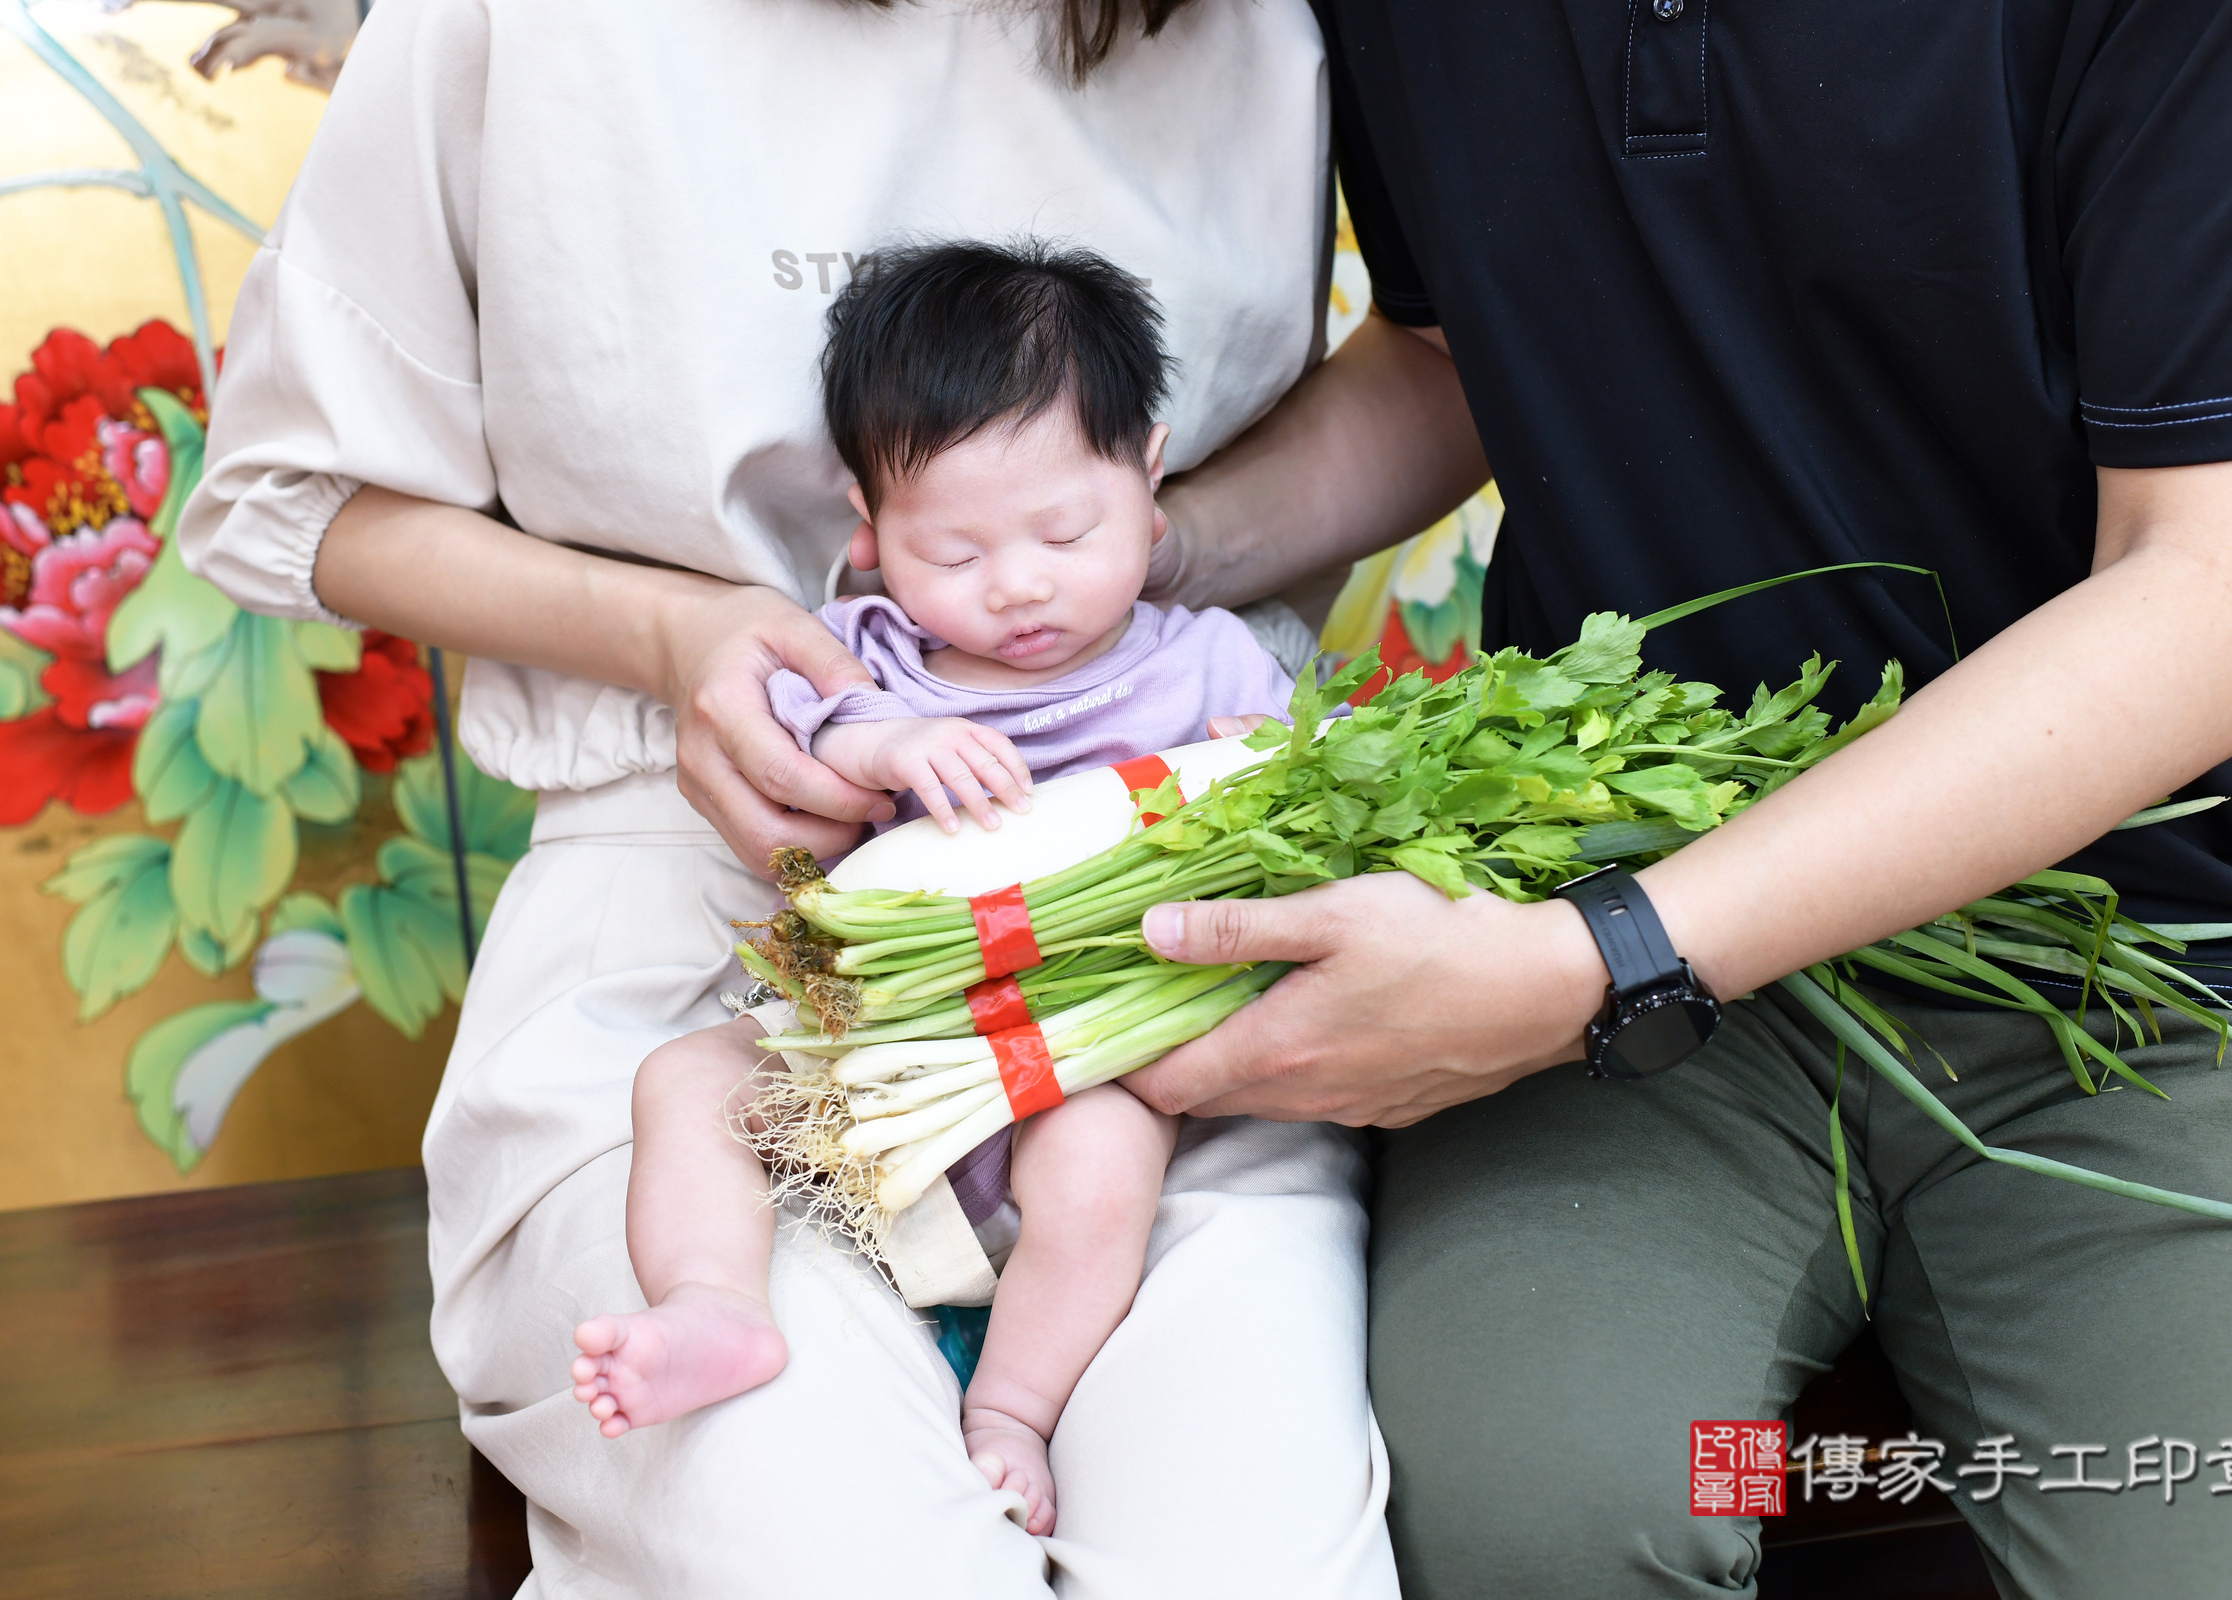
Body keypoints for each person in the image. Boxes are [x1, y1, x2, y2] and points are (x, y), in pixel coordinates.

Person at [1119, 2, 2232, 1596]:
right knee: (1549, 1520)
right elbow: (1454, 350)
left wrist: (1613, 954)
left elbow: (2221, 592)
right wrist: (1138, 559)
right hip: (1608, 960)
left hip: (2145, 966)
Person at [179, 1, 1429, 1593]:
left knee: (1251, 1560)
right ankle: (719, 1310)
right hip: (702, 915)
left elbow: (1462, 359)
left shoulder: (1285, 26)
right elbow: (295, 490)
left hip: (1158, 961)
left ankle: (1022, 1397)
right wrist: (681, 636)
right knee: (845, 1554)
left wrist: (1129, 587)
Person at [567, 241, 1299, 1543]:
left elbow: (1296, 798)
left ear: (1149, 470)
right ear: (866, 524)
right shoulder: (874, 660)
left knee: (1100, 1174)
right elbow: (806, 735)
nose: (1015, 584)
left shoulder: (1209, 666)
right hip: (875, 1041)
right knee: (686, 1083)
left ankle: (1011, 1409)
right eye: (951, 550)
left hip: (1079, 1049)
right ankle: (712, 1304)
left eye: (1064, 531)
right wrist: (888, 745)